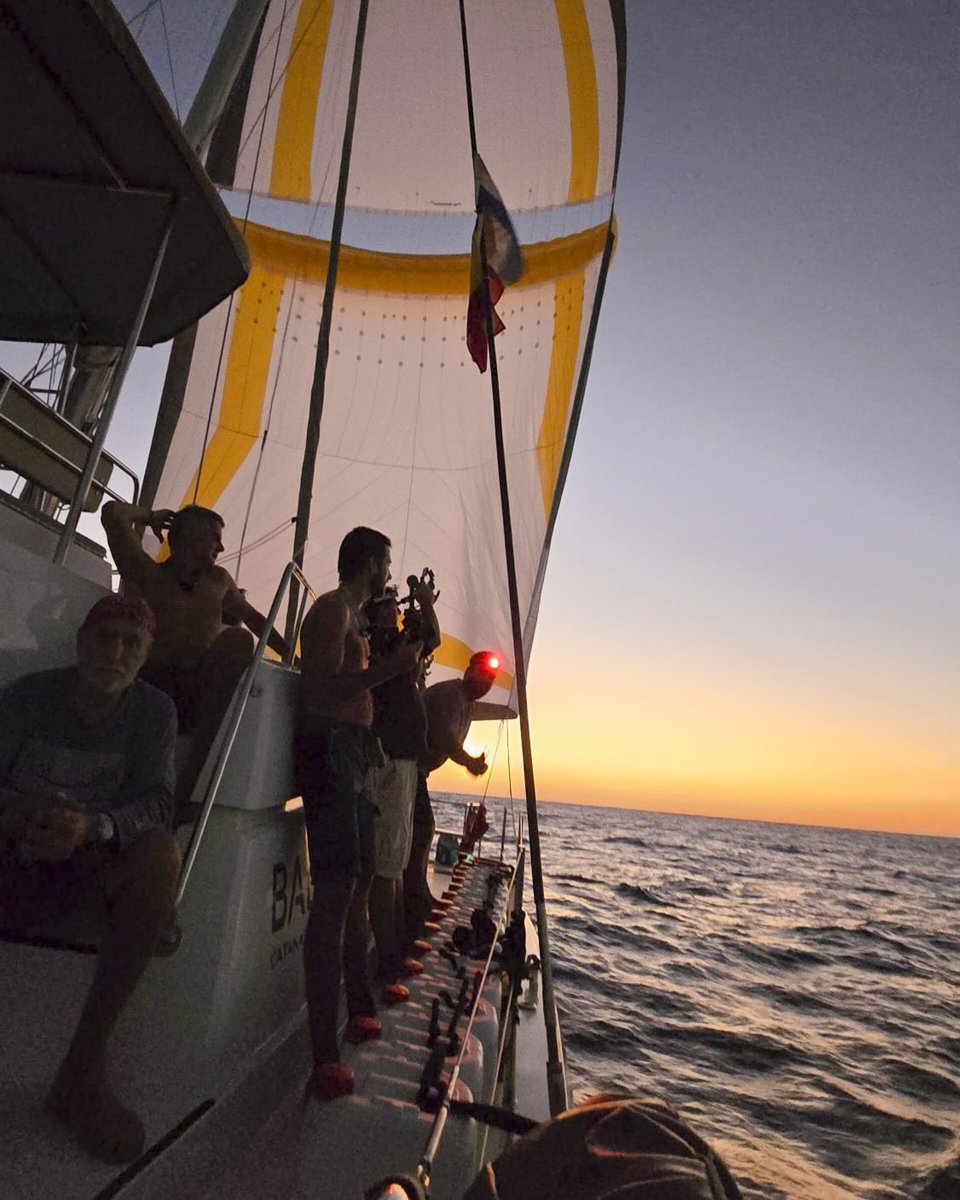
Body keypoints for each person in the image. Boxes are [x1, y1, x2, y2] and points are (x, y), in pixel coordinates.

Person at [0, 594, 179, 1165]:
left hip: (92, 867)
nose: (116, 653)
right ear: (81, 643)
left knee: (160, 856)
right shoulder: (27, 697)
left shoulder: (154, 713)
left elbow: (159, 803)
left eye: (132, 644)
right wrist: (25, 816)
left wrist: (92, 828)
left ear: (145, 657)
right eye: (105, 638)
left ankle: (81, 1073)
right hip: (13, 855)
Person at [295, 527, 422, 1102]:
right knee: (335, 894)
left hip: (354, 756)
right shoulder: (330, 611)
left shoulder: (354, 616)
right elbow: (318, 692)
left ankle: (359, 1006)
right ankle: (323, 1054)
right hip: (328, 753)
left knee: (362, 877)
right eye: (386, 562)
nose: (389, 573)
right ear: (369, 562)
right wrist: (389, 670)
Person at [101, 501, 288, 812]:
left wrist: (294, 655)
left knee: (239, 639)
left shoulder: (219, 581)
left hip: (199, 689)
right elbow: (112, 513)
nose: (221, 547)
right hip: (151, 684)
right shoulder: (145, 572)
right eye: (215, 537)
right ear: (190, 534)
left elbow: (255, 620)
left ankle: (195, 780)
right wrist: (153, 516)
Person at [405, 652, 515, 946]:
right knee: (422, 829)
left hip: (418, 771)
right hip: (406, 767)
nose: (487, 682)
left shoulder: (467, 704)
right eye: (483, 674)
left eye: (491, 679)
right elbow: (444, 738)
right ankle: (412, 900)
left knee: (421, 831)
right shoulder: (450, 696)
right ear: (468, 671)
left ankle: (416, 893)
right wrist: (469, 761)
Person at [363, 583, 439, 1001]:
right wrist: (423, 601)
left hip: (400, 763)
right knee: (386, 868)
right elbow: (432, 637)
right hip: (390, 763)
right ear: (380, 610)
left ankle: (392, 952)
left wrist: (422, 603)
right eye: (393, 603)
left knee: (392, 863)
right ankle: (389, 960)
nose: (398, 608)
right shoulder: (385, 643)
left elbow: (430, 639)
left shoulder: (387, 643)